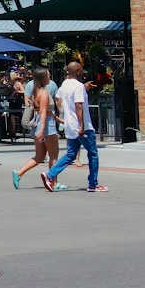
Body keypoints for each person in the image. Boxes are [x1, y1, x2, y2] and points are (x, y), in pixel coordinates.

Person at [43, 61, 106, 194]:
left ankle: (49, 175)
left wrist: (84, 88)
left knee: (71, 154)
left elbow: (59, 99)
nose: (83, 72)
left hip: (70, 125)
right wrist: (82, 126)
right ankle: (93, 184)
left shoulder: (65, 85)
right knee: (93, 154)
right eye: (81, 70)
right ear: (78, 71)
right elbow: (78, 106)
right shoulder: (78, 86)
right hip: (82, 127)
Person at [13, 68, 59, 189]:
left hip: (39, 123)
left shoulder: (35, 91)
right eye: (48, 75)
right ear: (43, 78)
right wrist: (42, 130)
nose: (50, 77)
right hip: (47, 126)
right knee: (53, 156)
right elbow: (43, 111)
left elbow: (40, 111)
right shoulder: (43, 92)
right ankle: (53, 182)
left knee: (39, 157)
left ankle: (18, 173)